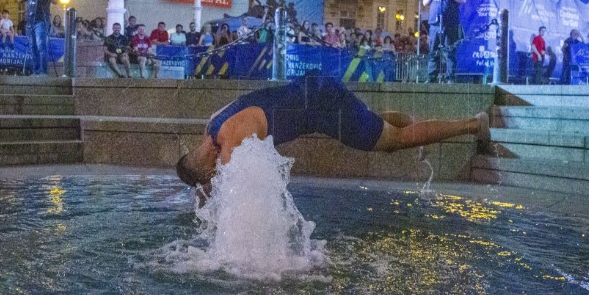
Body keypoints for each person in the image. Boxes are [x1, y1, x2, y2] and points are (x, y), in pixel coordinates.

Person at [175, 76, 490, 202]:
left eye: (210, 179)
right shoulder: (213, 126)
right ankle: (389, 120)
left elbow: (247, 200)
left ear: (206, 173)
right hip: (314, 90)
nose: (216, 179)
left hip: (326, 106)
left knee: (395, 142)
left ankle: (472, 124)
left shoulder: (233, 145)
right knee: (374, 125)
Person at [423, 0, 465, 83]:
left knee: (449, 52)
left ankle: (450, 77)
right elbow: (425, 2)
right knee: (433, 52)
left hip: (449, 24)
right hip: (435, 24)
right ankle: (431, 77)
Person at [17, 0, 57, 75]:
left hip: (42, 21)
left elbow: (55, 1)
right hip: (30, 22)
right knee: (33, 47)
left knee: (41, 46)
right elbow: (19, 0)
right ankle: (36, 71)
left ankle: (43, 72)